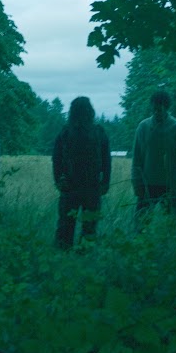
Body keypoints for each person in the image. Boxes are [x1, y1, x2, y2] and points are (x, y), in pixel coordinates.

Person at [52, 96, 111, 249]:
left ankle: (62, 256)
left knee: (65, 227)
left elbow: (56, 159)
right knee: (89, 229)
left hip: (69, 187)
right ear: (90, 111)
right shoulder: (99, 132)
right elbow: (107, 161)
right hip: (92, 187)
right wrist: (105, 182)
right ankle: (85, 257)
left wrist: (58, 180)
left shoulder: (65, 132)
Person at [132, 90, 176, 220]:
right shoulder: (143, 127)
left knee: (171, 225)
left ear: (167, 107)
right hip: (147, 185)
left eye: (160, 109)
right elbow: (137, 158)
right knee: (140, 224)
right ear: (151, 106)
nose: (157, 112)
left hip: (170, 186)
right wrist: (137, 183)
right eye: (154, 108)